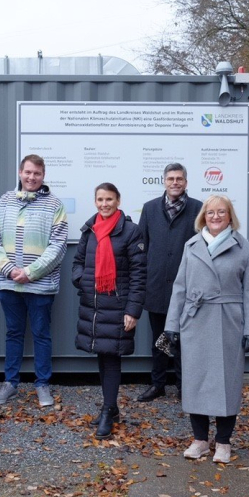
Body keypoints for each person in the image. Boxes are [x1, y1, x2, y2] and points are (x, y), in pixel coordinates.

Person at [164, 194, 249, 463]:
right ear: (203, 217)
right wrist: (172, 325)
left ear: (230, 216)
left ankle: (223, 442)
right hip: (195, 320)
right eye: (210, 213)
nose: (216, 217)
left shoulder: (242, 247)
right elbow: (180, 287)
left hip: (228, 321)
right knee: (195, 381)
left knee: (226, 383)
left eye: (221, 212)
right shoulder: (192, 245)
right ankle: (199, 440)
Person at [0, 154, 68, 407]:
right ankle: (10, 383)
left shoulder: (55, 205)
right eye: (28, 172)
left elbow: (58, 246)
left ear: (43, 176)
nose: (32, 177)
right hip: (9, 284)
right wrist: (10, 270)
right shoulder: (3, 203)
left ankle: (42, 385)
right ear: (20, 172)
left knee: (41, 334)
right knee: (14, 333)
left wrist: (31, 272)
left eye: (37, 173)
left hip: (41, 286)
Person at [72, 183, 147, 439]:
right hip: (93, 305)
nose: (104, 204)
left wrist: (133, 310)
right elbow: (78, 261)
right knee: (102, 355)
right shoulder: (89, 229)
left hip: (117, 305)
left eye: (109, 199)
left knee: (112, 357)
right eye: (100, 199)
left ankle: (108, 410)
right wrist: (81, 280)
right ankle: (111, 408)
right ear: (95, 201)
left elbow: (139, 275)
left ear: (118, 200)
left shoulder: (130, 232)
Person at [136, 163, 203, 402]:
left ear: (186, 182)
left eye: (179, 179)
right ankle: (158, 384)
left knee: (186, 340)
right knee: (159, 340)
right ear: (163, 181)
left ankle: (185, 387)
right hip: (156, 286)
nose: (175, 182)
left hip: (186, 287)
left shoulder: (198, 208)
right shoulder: (150, 208)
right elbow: (141, 247)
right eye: (171, 178)